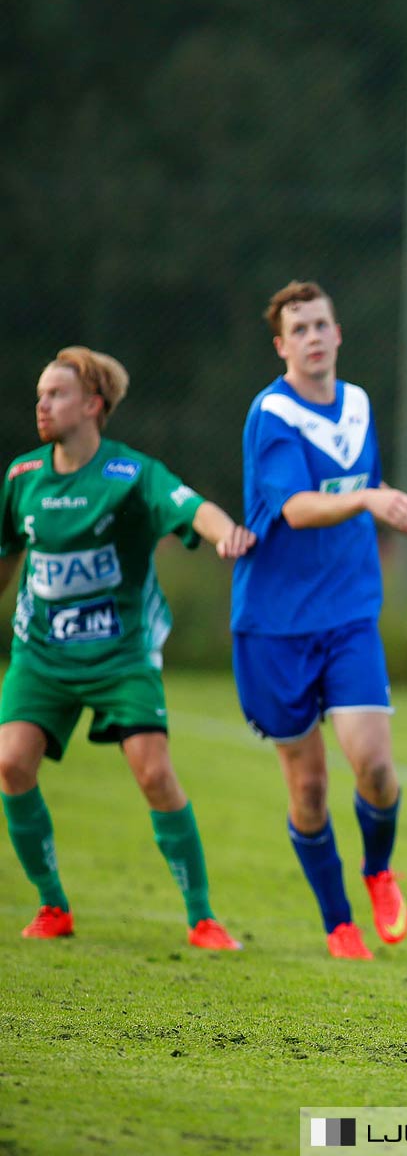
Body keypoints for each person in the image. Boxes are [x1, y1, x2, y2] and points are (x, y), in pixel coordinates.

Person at [233, 281, 407, 960]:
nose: (314, 337)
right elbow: (296, 508)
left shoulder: (356, 406)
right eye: (300, 329)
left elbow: (376, 500)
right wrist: (372, 498)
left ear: (339, 333)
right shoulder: (272, 414)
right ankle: (338, 922)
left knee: (375, 768)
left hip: (349, 614)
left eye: (323, 323)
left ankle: (379, 870)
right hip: (276, 624)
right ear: (282, 346)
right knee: (311, 786)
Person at [1, 347, 250, 949]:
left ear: (93, 405)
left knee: (155, 773)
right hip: (41, 655)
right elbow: (6, 558)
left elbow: (192, 508)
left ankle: (202, 917)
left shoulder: (130, 475)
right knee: (9, 763)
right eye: (39, 394)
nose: (42, 405)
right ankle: (53, 905)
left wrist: (229, 536)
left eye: (55, 395)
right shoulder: (22, 478)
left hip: (121, 655)